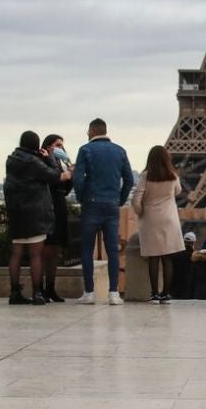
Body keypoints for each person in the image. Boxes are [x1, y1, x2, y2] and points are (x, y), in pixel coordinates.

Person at [4, 131, 72, 305]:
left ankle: (14, 292)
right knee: (36, 255)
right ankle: (37, 293)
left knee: (16, 254)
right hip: (35, 212)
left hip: (16, 212)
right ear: (37, 145)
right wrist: (50, 159)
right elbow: (57, 176)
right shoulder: (34, 162)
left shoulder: (11, 160)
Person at [72, 118, 134, 305]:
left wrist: (82, 198)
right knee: (112, 250)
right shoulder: (120, 151)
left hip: (91, 203)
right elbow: (129, 180)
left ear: (91, 131)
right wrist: (120, 200)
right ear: (105, 131)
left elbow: (78, 179)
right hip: (111, 204)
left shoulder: (85, 150)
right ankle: (114, 293)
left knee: (87, 249)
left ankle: (89, 292)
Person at [131, 145, 185, 304]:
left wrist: (140, 211)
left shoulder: (145, 176)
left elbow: (136, 198)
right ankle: (166, 294)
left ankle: (154, 294)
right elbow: (178, 192)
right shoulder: (173, 176)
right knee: (168, 257)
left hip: (151, 219)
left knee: (153, 257)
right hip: (169, 218)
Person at [40, 134, 73, 302]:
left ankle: (50, 288)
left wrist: (70, 175)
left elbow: (65, 189)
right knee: (45, 249)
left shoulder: (61, 163)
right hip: (48, 205)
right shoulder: (43, 160)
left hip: (59, 204)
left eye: (62, 145)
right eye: (57, 144)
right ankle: (41, 288)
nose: (60, 148)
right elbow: (48, 181)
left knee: (54, 250)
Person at [170, 231, 197, 299]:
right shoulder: (195, 257)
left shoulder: (175, 254)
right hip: (188, 291)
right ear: (193, 243)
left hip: (174, 289)